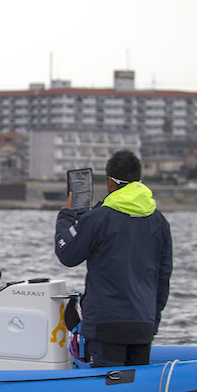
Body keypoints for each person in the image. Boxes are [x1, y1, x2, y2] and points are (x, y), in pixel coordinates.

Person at [55, 149, 173, 368]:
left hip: (107, 324)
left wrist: (65, 217)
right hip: (143, 323)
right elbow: (163, 276)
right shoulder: (159, 221)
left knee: (107, 386)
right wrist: (152, 321)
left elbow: (68, 255)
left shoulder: (97, 219)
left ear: (110, 182)